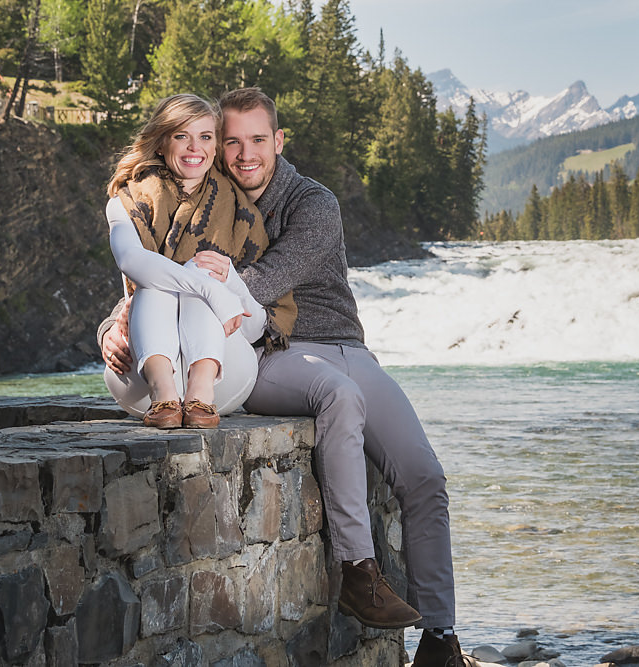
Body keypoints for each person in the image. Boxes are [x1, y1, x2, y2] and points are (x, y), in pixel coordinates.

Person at [99, 87, 471, 666]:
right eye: (232, 142)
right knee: (336, 395)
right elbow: (154, 272)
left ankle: (442, 638)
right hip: (273, 353)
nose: (245, 154)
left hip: (346, 347)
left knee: (423, 476)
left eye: (257, 140)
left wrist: (214, 280)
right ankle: (358, 571)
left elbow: (269, 276)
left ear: (278, 141)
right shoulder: (205, 199)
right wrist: (116, 320)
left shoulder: (313, 202)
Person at [102, 93, 296, 429]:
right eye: (182, 136)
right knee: (160, 277)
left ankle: (200, 392)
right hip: (140, 385)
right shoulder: (126, 202)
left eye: (206, 137)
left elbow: (254, 327)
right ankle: (164, 392)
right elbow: (131, 260)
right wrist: (211, 290)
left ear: (216, 145)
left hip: (227, 375)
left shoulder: (240, 214)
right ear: (162, 142)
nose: (195, 148)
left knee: (200, 266)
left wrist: (226, 284)